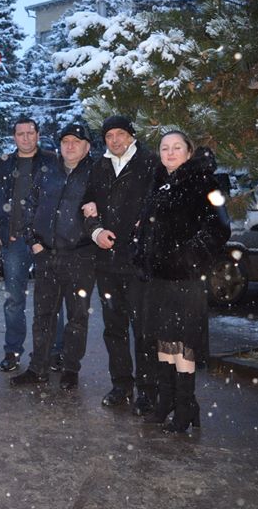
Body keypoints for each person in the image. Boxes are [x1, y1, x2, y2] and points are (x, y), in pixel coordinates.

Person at [133, 131, 230, 434]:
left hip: (186, 279)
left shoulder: (205, 183)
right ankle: (166, 402)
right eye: (165, 148)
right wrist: (142, 250)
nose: (170, 152)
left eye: (177, 147)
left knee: (183, 344)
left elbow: (220, 228)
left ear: (189, 152)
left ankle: (186, 406)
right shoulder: (159, 183)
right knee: (164, 341)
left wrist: (189, 258)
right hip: (159, 279)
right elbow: (150, 227)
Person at [10, 123, 95, 391]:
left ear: (87, 147)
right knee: (43, 316)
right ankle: (38, 369)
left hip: (80, 258)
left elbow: (103, 212)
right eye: (65, 141)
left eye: (76, 141)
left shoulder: (95, 174)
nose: (70, 146)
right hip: (46, 255)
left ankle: (70, 369)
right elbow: (30, 206)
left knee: (77, 317)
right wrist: (33, 242)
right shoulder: (48, 171)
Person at [83, 116, 159, 413]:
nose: (114, 140)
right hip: (107, 263)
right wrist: (96, 231)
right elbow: (87, 206)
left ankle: (148, 391)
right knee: (114, 329)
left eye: (120, 134)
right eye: (109, 135)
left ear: (131, 136)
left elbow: (157, 207)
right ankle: (121, 385)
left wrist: (144, 229)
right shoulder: (99, 167)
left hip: (139, 262)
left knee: (144, 330)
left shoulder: (149, 163)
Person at [0, 117, 55, 372]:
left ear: (38, 135)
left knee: (50, 299)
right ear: (14, 137)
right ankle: (13, 351)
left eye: (30, 133)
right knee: (14, 300)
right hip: (14, 243)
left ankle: (53, 352)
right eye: (20, 133)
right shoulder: (2, 166)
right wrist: (0, 234)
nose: (25, 138)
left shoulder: (52, 163)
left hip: (46, 243)